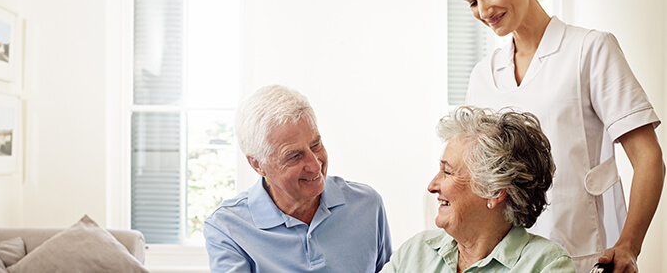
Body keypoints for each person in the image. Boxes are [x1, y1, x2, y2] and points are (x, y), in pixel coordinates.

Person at [456, 0, 666, 272]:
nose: (484, 10)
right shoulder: (483, 75)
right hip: (502, 261)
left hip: (582, 255)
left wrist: (629, 245)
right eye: (472, 2)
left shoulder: (589, 50)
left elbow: (648, 158)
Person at [203, 84, 392, 272]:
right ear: (257, 164)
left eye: (316, 145)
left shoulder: (367, 204)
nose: (315, 165)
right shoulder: (227, 227)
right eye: (294, 156)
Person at [381, 106, 575, 272]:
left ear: (494, 191)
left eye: (447, 172)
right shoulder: (415, 252)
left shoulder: (546, 264)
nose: (432, 186)